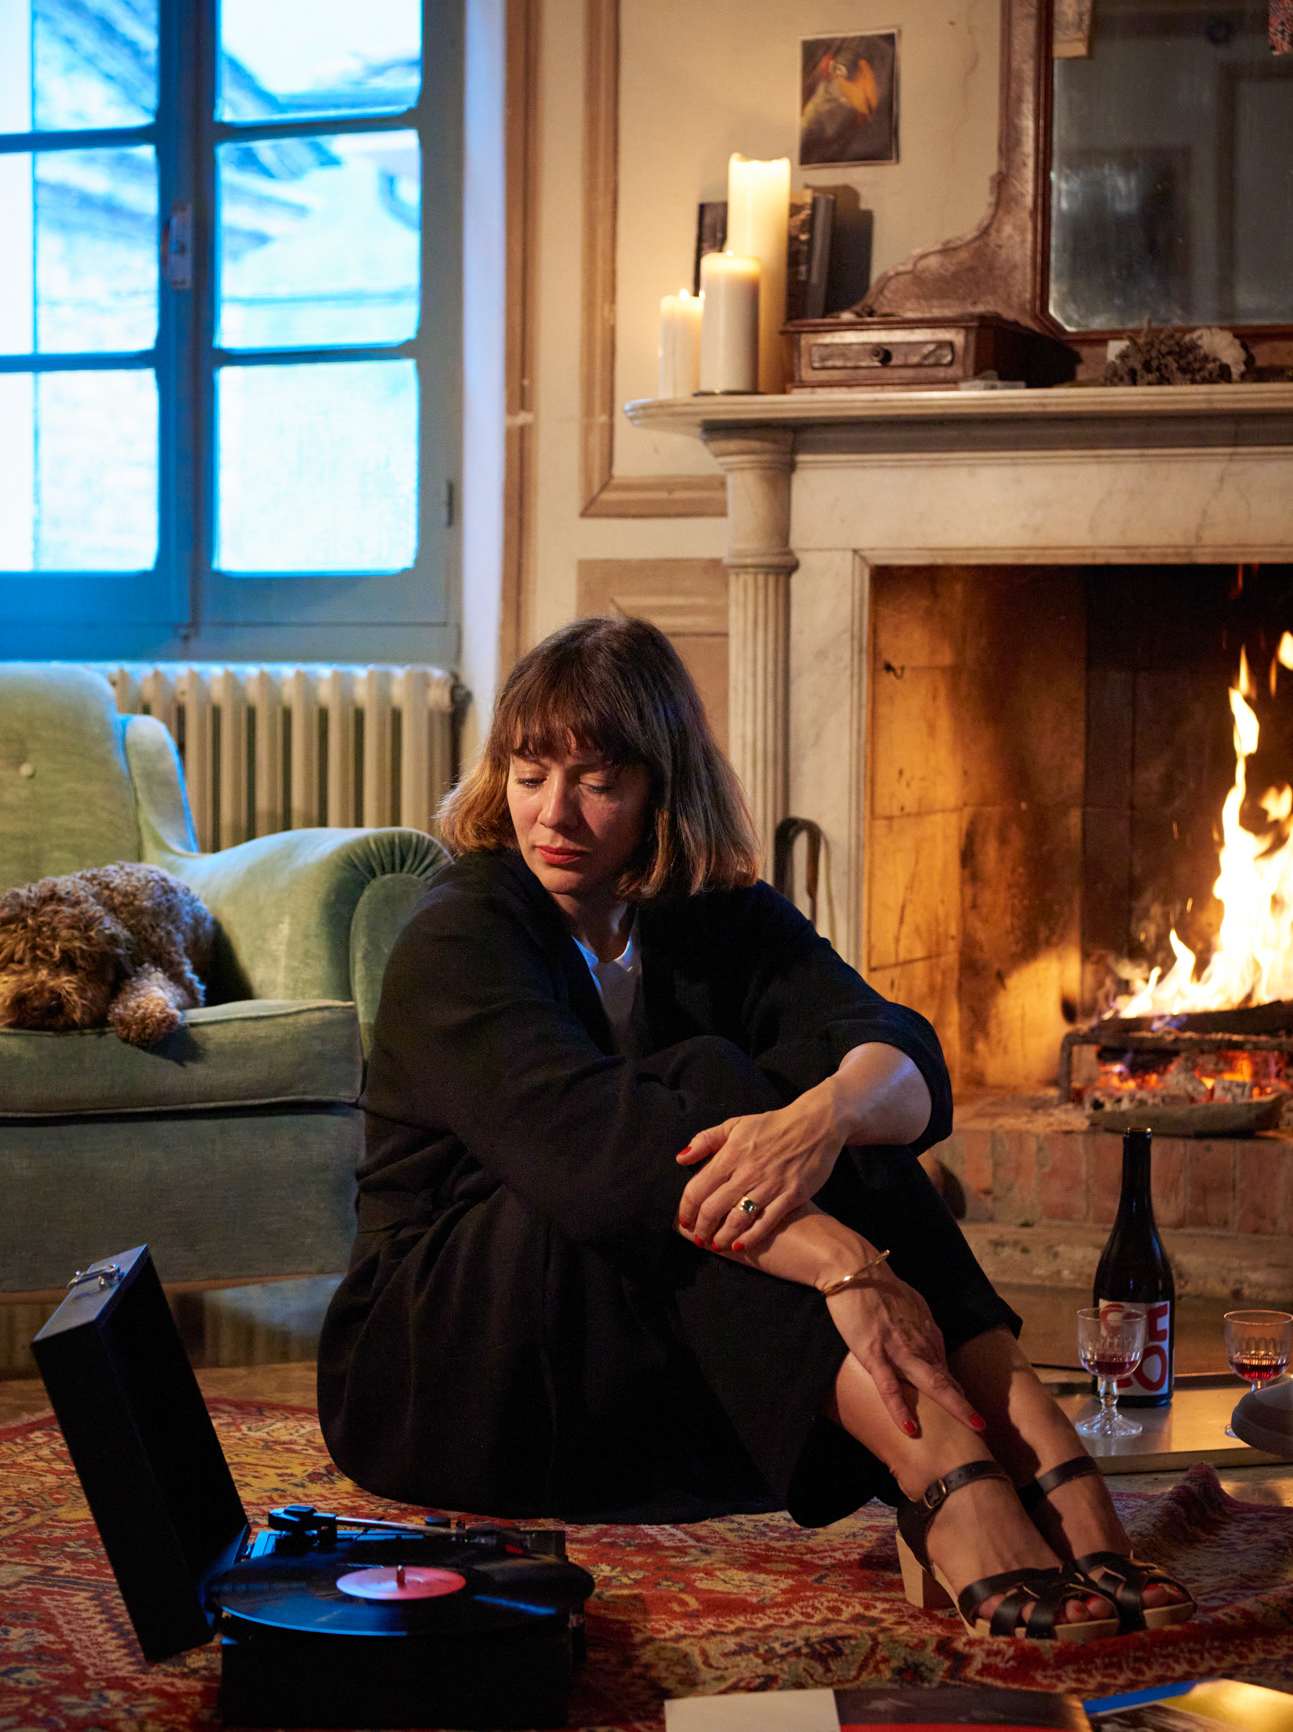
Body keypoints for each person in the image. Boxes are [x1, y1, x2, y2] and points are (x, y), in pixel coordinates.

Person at [318, 617, 1194, 1640]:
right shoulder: (459, 933)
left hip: (636, 1357)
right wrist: (846, 1266)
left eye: (596, 782)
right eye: (528, 774)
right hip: (451, 1367)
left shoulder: (706, 910)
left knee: (812, 1106)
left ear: (662, 789)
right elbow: (598, 1158)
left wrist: (825, 1118)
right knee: (710, 1086)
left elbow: (904, 1056)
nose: (553, 813)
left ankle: (1020, 1432)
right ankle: (953, 1467)